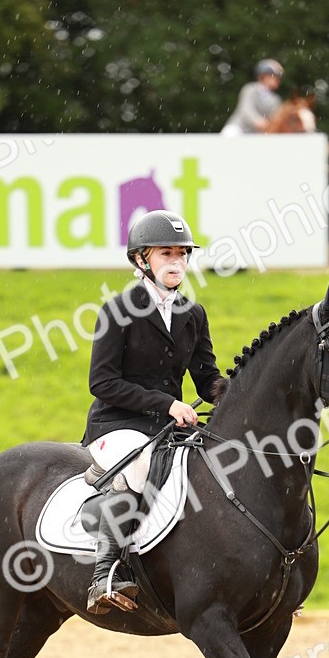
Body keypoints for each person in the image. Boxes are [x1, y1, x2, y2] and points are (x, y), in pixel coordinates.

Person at [81, 210, 226, 615]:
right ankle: (104, 576)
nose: (177, 262)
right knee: (141, 467)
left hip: (167, 428)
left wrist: (238, 393)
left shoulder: (192, 314)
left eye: (183, 254)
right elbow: (102, 383)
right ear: (142, 260)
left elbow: (206, 378)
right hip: (117, 424)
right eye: (167, 253)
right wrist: (166, 404)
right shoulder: (116, 311)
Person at [220, 59, 284, 136]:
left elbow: (276, 117)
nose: (277, 80)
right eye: (273, 76)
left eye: (278, 78)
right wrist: (258, 121)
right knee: (229, 134)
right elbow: (246, 109)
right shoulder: (250, 89)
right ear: (263, 76)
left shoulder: (276, 99)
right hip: (239, 128)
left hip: (258, 133)